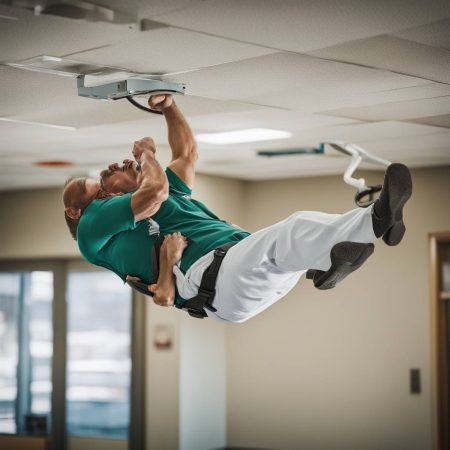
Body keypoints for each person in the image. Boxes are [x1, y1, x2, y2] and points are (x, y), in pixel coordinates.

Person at [64, 95, 412, 323]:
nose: (112, 165)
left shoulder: (165, 197)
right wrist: (146, 156)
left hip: (242, 272)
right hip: (213, 281)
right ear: (100, 200)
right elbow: (152, 190)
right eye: (102, 179)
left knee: (294, 236)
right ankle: (368, 226)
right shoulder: (95, 224)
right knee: (291, 230)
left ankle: (335, 256)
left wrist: (168, 107)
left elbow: (187, 154)